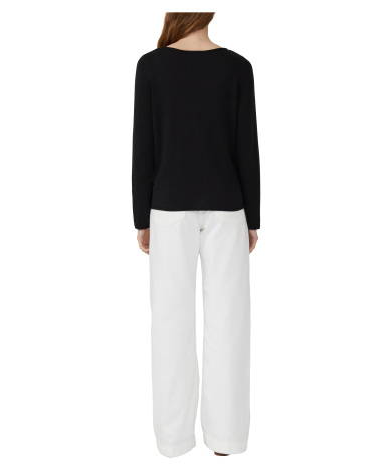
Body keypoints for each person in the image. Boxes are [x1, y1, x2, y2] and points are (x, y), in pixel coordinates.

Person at [132, 12, 260, 458]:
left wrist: (141, 219)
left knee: (170, 323)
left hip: (168, 209)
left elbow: (143, 147)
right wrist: (252, 218)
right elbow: (247, 147)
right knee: (229, 323)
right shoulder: (237, 67)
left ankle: (173, 441)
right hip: (228, 210)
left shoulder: (151, 66)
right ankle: (225, 438)